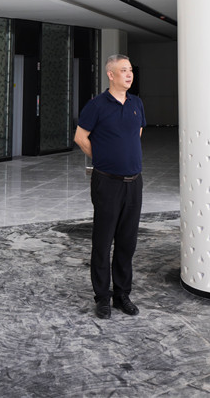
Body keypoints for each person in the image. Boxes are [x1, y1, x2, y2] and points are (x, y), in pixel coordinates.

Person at [74, 54, 146, 319]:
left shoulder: (137, 103)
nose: (129, 74)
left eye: (130, 70)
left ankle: (122, 295)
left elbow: (137, 133)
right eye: (123, 70)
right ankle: (102, 297)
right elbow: (80, 137)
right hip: (107, 182)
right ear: (111, 74)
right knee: (103, 242)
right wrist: (103, 158)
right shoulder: (97, 105)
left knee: (127, 242)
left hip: (134, 183)